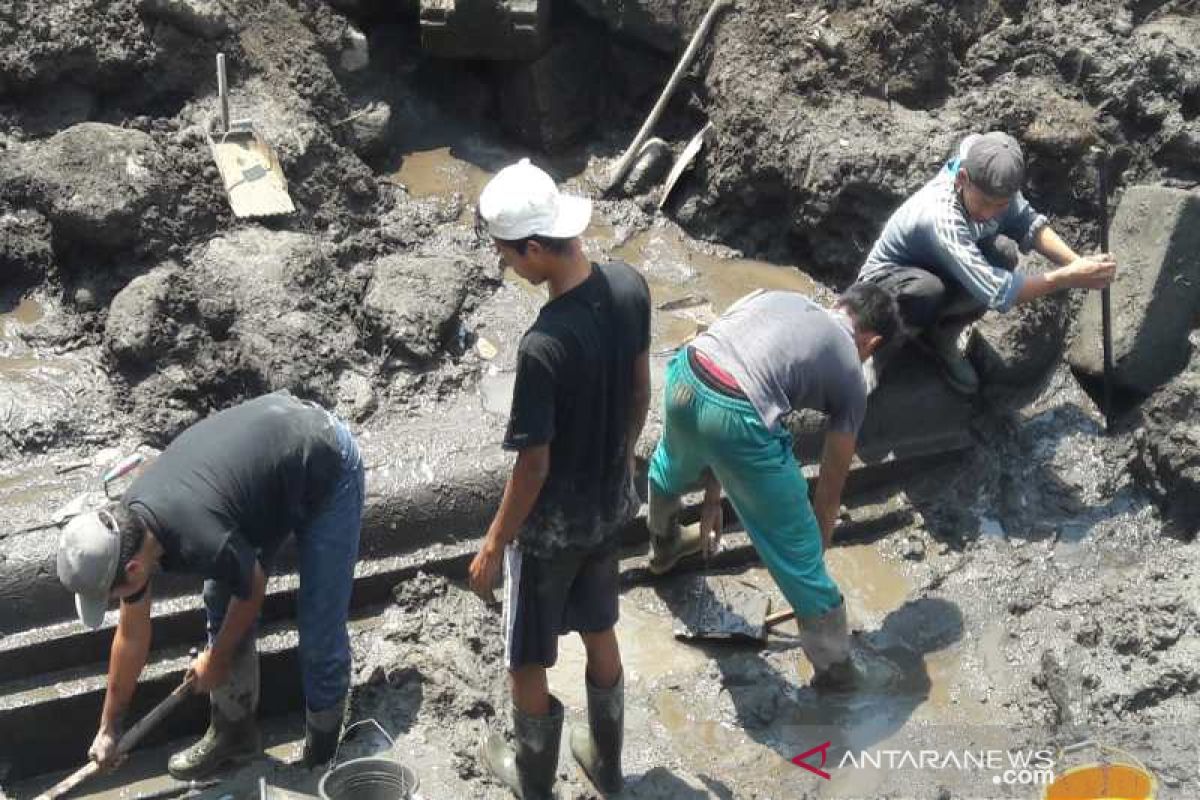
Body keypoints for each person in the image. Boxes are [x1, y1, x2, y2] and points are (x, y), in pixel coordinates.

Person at [55, 392, 364, 777]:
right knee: (219, 598)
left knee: (318, 628)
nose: (116, 603)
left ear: (133, 570)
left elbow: (251, 588)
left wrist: (216, 660)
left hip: (323, 460)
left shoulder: (199, 536)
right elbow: (132, 633)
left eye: (110, 596)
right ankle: (234, 734)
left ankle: (324, 757)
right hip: (259, 485)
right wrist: (109, 727)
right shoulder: (130, 529)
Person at [468, 159, 651, 799]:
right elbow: (639, 392)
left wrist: (495, 542)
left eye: (510, 257)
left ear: (537, 248)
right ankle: (607, 761)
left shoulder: (542, 347)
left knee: (525, 656)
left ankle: (533, 779)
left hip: (550, 532)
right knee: (600, 625)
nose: (510, 267)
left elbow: (533, 465)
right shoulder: (629, 286)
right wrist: (619, 463)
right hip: (608, 506)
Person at [647, 285, 899, 688]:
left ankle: (664, 546)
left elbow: (722, 375)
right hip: (735, 411)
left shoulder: (772, 296)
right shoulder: (852, 374)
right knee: (799, 553)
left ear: (839, 305)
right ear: (872, 341)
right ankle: (837, 671)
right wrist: (811, 555)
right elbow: (831, 483)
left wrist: (714, 497)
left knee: (668, 468)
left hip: (686, 374)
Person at [856, 131, 1117, 393]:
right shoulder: (940, 216)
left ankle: (940, 336)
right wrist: (1070, 277)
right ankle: (876, 352)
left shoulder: (994, 179)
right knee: (925, 290)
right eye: (983, 202)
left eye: (1000, 205)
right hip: (885, 285)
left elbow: (1027, 222)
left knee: (1003, 253)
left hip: (940, 266)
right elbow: (998, 292)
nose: (989, 213)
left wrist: (1080, 263)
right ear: (962, 179)